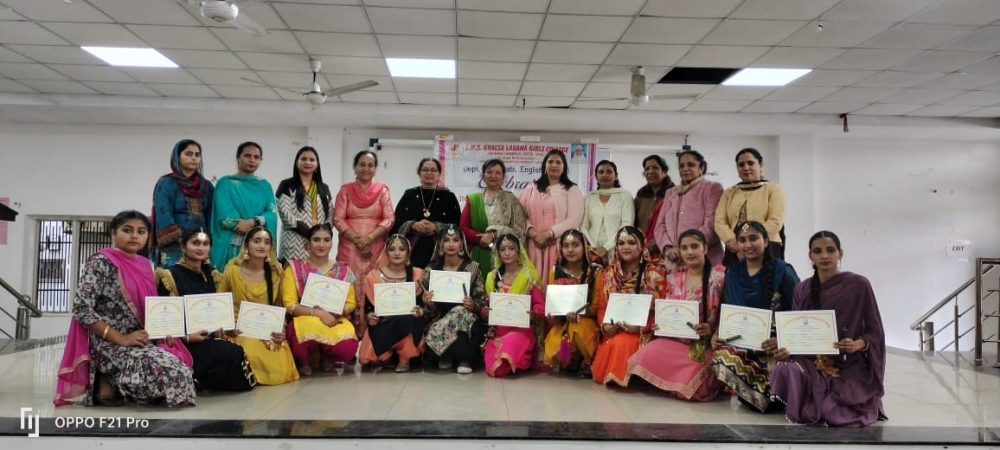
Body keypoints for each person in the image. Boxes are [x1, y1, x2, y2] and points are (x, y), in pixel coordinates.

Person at [54, 210, 196, 407]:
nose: (134, 236)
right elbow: (81, 309)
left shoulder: (145, 265)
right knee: (166, 372)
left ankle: (117, 384)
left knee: (179, 371)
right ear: (113, 233)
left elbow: (149, 308)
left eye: (141, 231)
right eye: (127, 230)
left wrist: (162, 331)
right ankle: (106, 379)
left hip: (141, 339)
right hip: (109, 342)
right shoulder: (100, 262)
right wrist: (121, 338)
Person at [769, 231, 887, 427]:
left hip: (849, 363)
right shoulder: (802, 289)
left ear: (840, 253)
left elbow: (875, 332)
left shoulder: (859, 285)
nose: (824, 256)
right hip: (811, 360)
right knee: (785, 369)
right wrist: (785, 349)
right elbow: (797, 334)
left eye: (830, 250)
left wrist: (856, 344)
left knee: (831, 411)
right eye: (818, 251)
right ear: (810, 256)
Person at [711, 221, 800, 413]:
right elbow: (728, 309)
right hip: (744, 339)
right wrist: (718, 333)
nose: (748, 244)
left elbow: (800, 311)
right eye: (742, 240)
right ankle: (752, 396)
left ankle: (776, 396)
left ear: (766, 241)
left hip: (776, 342)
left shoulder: (783, 270)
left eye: (753, 238)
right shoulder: (733, 271)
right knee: (722, 357)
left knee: (780, 366)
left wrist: (782, 339)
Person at [154, 227, 257, 392]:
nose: (200, 248)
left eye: (205, 244)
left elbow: (217, 314)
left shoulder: (213, 275)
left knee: (241, 347)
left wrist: (224, 328)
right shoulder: (169, 276)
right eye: (195, 243)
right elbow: (164, 320)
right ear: (183, 246)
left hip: (208, 337)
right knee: (230, 352)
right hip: (183, 341)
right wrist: (187, 337)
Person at [627, 230, 725, 401]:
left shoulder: (719, 277)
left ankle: (675, 382)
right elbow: (670, 310)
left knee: (696, 380)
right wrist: (661, 324)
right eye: (684, 248)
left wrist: (712, 329)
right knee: (645, 355)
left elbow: (726, 312)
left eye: (694, 246)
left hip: (704, 344)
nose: (690, 252)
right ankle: (675, 382)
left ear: (705, 248)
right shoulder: (675, 277)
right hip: (676, 340)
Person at [219, 226, 299, 386]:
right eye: (257, 241)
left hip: (267, 329)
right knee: (250, 351)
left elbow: (280, 307)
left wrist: (282, 329)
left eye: (266, 242)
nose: (262, 246)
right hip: (238, 328)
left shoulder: (277, 273)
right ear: (246, 245)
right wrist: (228, 327)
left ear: (271, 247)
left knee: (281, 369)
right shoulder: (232, 270)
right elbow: (221, 303)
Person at [591, 226, 668, 386]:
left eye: (632, 243)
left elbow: (662, 309)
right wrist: (605, 326)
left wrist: (640, 328)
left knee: (623, 342)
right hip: (615, 329)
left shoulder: (656, 273)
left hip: (645, 330)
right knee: (616, 341)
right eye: (621, 243)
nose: (626, 247)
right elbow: (602, 308)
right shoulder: (608, 274)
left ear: (642, 246)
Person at [282, 224, 360, 375]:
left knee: (348, 343)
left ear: (332, 243)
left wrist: (336, 312)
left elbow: (351, 303)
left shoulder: (344, 269)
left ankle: (327, 356)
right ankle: (303, 360)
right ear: (307, 244)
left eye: (326, 240)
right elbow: (290, 304)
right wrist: (320, 314)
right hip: (306, 316)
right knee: (301, 328)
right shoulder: (293, 267)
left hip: (334, 317)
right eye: (316, 240)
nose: (321, 244)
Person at [333, 150, 394, 336]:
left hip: (376, 247)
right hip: (349, 248)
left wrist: (369, 238)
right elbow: (337, 218)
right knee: (349, 287)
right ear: (355, 167)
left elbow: (390, 218)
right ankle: (347, 334)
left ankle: (372, 335)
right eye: (362, 164)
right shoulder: (345, 190)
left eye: (370, 165)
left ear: (375, 169)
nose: (366, 168)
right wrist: (358, 240)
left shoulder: (382, 190)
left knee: (373, 286)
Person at [420, 224, 488, 374]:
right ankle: (447, 355)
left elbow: (481, 302)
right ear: (440, 244)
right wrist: (429, 305)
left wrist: (473, 305)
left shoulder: (473, 268)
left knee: (460, 312)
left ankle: (463, 359)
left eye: (455, 240)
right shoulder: (430, 270)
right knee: (454, 315)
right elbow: (427, 312)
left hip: (467, 320)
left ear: (461, 244)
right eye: (446, 240)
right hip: (439, 319)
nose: (451, 244)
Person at [519, 150, 585, 291]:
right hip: (534, 244)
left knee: (556, 283)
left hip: (558, 244)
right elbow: (520, 215)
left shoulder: (571, 189)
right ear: (545, 165)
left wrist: (548, 234)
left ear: (564, 167)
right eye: (550, 162)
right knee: (532, 284)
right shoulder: (531, 188)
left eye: (558, 162)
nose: (554, 165)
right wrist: (533, 233)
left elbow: (574, 219)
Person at [359, 234, 426, 372]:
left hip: (408, 322)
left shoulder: (417, 274)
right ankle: (386, 357)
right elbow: (369, 307)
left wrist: (420, 311)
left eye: (402, 249)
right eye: (392, 249)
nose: (397, 253)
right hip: (384, 321)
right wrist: (370, 316)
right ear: (386, 252)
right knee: (380, 325)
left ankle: (404, 359)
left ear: (408, 252)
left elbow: (422, 305)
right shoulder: (373, 276)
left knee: (408, 320)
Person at [481, 234, 544, 378]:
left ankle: (522, 359)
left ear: (519, 251)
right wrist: (486, 311)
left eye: (511, 248)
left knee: (508, 351)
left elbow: (540, 305)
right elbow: (487, 306)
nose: (507, 253)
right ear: (498, 253)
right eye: (502, 249)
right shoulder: (492, 277)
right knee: (496, 369)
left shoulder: (529, 276)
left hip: (522, 331)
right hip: (498, 332)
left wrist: (534, 313)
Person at [210, 141, 278, 271]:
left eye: (256, 157)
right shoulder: (226, 184)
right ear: (238, 157)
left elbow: (272, 214)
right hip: (232, 245)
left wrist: (253, 222)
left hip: (258, 246)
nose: (252, 160)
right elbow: (224, 216)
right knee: (231, 280)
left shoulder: (264, 186)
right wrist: (243, 225)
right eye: (247, 156)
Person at [543, 229, 601, 377]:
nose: (570, 250)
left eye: (575, 245)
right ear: (560, 248)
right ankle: (574, 360)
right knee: (553, 350)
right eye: (566, 245)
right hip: (563, 323)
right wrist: (553, 316)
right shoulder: (555, 271)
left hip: (587, 322)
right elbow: (554, 303)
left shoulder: (595, 271)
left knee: (578, 329)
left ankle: (588, 362)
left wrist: (580, 313)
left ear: (584, 247)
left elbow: (596, 306)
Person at [654, 150, 724, 271]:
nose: (685, 169)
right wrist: (667, 248)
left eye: (691, 165)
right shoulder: (671, 192)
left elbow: (712, 223)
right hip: (674, 261)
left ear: (701, 168)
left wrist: (687, 248)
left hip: (705, 262)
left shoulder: (712, 188)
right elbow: (660, 225)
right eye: (681, 166)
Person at [715, 148, 787, 266]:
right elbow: (719, 222)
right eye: (741, 165)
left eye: (750, 163)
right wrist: (735, 242)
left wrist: (750, 243)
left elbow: (775, 221)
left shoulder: (773, 189)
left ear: (761, 165)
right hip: (734, 249)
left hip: (767, 247)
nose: (746, 167)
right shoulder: (729, 192)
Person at [460, 159, 527, 280]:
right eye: (489, 172)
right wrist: (481, 238)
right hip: (478, 252)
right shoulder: (474, 199)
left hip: (505, 254)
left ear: (503, 177)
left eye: (498, 173)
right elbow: (463, 228)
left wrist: (494, 234)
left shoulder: (511, 199)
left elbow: (519, 230)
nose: (493, 176)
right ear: (483, 175)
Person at [152, 139, 215, 267]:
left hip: (200, 245)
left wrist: (204, 240)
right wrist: (183, 240)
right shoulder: (166, 183)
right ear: (177, 157)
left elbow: (210, 215)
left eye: (197, 155)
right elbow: (163, 213)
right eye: (188, 154)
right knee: (173, 277)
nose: (194, 158)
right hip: (175, 245)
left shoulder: (206, 186)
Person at [391, 158, 461, 268]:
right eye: (425, 170)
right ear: (419, 173)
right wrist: (413, 225)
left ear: (439, 174)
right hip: (412, 250)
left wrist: (436, 227)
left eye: (433, 170)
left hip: (440, 250)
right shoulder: (410, 194)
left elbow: (456, 224)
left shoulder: (448, 196)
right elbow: (397, 220)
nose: (429, 173)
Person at [276, 146, 332, 262]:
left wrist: (321, 236)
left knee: (316, 273)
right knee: (292, 273)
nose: (308, 162)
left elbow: (330, 215)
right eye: (303, 159)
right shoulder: (286, 185)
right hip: (294, 243)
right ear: (297, 162)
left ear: (317, 164)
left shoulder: (324, 188)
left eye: (312, 160)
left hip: (319, 244)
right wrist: (312, 234)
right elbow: (286, 215)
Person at [580, 160, 633, 262]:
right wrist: (594, 248)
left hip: (617, 247)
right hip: (592, 250)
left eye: (609, 172)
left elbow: (627, 224)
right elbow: (583, 225)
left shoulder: (625, 195)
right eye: (601, 172)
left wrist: (606, 247)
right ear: (596, 176)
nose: (605, 175)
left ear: (616, 175)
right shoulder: (589, 197)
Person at [633, 155, 675, 248]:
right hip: (641, 247)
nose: (650, 171)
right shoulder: (641, 195)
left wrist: (653, 244)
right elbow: (633, 222)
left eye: (655, 168)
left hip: (666, 247)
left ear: (664, 172)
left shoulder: (674, 194)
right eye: (647, 169)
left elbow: (674, 225)